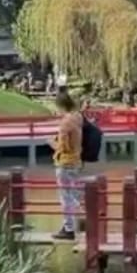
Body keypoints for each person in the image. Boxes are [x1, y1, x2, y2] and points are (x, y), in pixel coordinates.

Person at [52, 88, 84, 239]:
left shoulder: (65, 123)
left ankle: (68, 228)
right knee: (74, 192)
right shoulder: (78, 118)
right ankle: (84, 210)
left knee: (65, 197)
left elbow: (65, 147)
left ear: (60, 106)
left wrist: (52, 143)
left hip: (65, 162)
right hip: (76, 160)